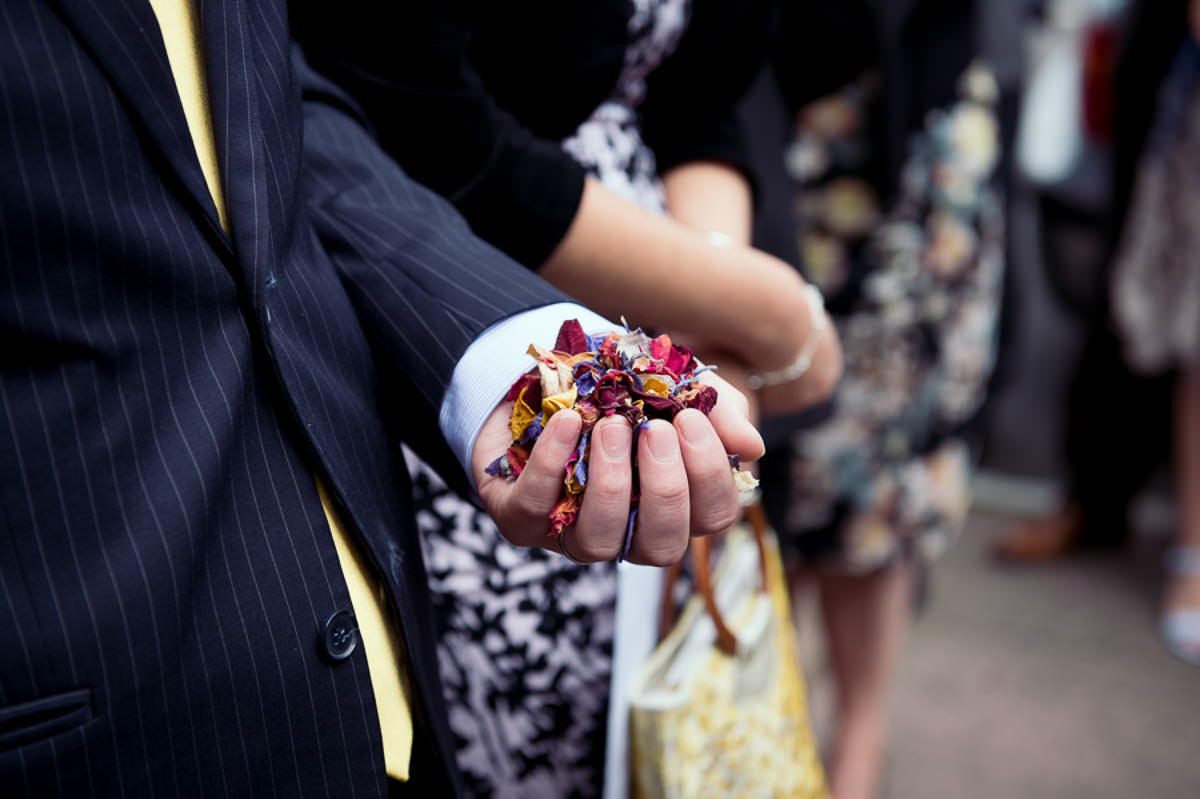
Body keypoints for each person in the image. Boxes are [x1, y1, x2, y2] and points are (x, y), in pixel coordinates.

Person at [0, 1, 761, 797]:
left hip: (379, 669)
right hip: (98, 726)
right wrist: (769, 315)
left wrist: (505, 349)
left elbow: (274, 109)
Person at [294, 4, 841, 797]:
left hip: (671, 327)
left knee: (653, 713)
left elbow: (703, 92)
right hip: (477, 323)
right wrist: (770, 314)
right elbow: (421, 118)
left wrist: (716, 315)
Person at [756, 2, 1005, 797]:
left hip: (913, 107)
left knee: (881, 475)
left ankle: (857, 743)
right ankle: (763, 726)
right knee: (761, 454)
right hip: (771, 104)